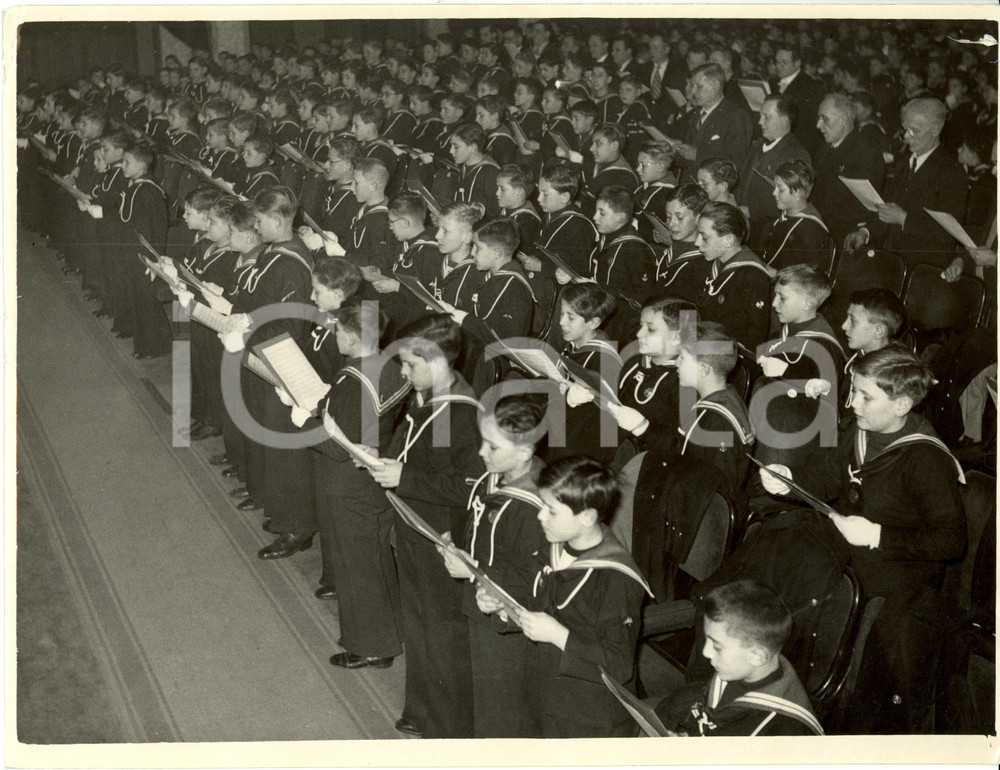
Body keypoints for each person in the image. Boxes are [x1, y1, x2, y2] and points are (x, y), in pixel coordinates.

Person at [760, 344, 967, 733]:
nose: (852, 403)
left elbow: (950, 541)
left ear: (902, 405)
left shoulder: (925, 459)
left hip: (899, 572)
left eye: (865, 396)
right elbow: (825, 479)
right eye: (853, 391)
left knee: (878, 670)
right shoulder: (861, 429)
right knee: (778, 555)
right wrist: (787, 482)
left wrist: (878, 535)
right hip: (851, 552)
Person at [368, 314, 485, 739]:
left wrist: (406, 478)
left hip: (443, 536)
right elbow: (413, 449)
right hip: (415, 525)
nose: (402, 372)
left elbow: (473, 484)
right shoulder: (428, 394)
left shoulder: (461, 413)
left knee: (444, 631)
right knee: (418, 620)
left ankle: (450, 725)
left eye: (409, 364)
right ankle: (421, 705)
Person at [477, 456, 649, 737]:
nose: (540, 515)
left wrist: (558, 634)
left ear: (587, 517)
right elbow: (536, 604)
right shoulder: (553, 546)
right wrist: (503, 609)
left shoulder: (615, 578)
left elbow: (619, 665)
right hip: (543, 690)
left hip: (588, 714)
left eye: (551, 510)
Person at [307, 299, 410, 665]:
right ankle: (390, 630)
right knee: (376, 557)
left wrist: (301, 418)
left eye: (337, 330)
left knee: (356, 566)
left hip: (346, 484)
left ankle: (371, 647)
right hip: (374, 477)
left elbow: (337, 445)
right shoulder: (390, 366)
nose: (334, 335)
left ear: (351, 337)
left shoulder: (351, 379)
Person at [437, 395, 547, 738]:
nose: (482, 453)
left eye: (492, 447)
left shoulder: (536, 507)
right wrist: (457, 545)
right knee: (482, 698)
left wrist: (472, 572)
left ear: (524, 452)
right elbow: (480, 528)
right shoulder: (496, 475)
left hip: (507, 622)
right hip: (480, 604)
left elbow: (533, 577)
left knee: (502, 710)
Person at [632, 322, 754, 600]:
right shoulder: (719, 401)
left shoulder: (716, 420)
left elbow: (709, 491)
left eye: (682, 358)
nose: (676, 363)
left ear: (703, 369)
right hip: (686, 516)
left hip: (695, 537)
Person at [655, 579, 824, 736]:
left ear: (757, 657)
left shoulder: (783, 732)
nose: (705, 652)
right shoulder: (739, 672)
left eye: (717, 646)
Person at [843, 98, 969, 271]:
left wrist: (904, 219)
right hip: (889, 258)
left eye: (914, 131)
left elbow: (947, 235)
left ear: (936, 129)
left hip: (921, 267)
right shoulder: (903, 164)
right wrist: (865, 233)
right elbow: (887, 210)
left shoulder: (952, 172)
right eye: (905, 128)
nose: (906, 136)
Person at [693, 201, 772, 352]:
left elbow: (755, 339)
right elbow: (689, 308)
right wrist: (686, 343)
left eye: (704, 237)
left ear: (729, 240)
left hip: (728, 358)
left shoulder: (752, 276)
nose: (697, 243)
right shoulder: (704, 264)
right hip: (700, 347)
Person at [735, 94, 812, 248]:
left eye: (766, 117)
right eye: (760, 116)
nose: (760, 122)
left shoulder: (797, 154)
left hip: (767, 234)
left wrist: (750, 211)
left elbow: (796, 199)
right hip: (742, 225)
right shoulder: (757, 146)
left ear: (784, 120)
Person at [810, 93, 886, 247]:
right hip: (818, 227)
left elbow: (863, 207)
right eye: (819, 118)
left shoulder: (866, 151)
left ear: (843, 119)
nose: (818, 125)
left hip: (843, 237)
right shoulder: (825, 146)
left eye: (824, 119)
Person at [675, 63, 754, 184]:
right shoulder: (696, 114)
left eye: (699, 87)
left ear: (716, 86)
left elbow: (736, 161)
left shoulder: (736, 116)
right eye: (693, 86)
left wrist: (697, 155)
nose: (693, 92)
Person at [758, 159, 832, 273]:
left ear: (798, 193)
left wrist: (776, 274)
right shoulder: (780, 219)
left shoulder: (811, 230)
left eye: (780, 189)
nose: (774, 193)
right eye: (775, 187)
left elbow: (812, 276)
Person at [657, 183, 709, 302]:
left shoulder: (703, 260)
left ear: (699, 218)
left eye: (679, 217)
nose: (671, 224)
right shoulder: (672, 248)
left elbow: (690, 314)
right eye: (668, 216)